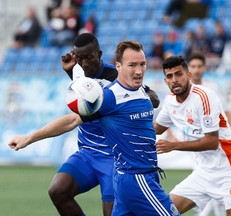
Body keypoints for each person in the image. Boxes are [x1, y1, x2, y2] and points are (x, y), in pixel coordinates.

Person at [8, 34, 159, 216]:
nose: (85, 63)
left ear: (99, 54)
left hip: (112, 157)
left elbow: (154, 99)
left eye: (89, 58)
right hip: (87, 153)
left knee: (111, 213)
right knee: (58, 191)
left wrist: (129, 97)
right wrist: (29, 138)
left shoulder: (115, 77)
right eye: (80, 59)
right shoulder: (78, 74)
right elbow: (79, 105)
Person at [40, 40, 179, 215]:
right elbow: (72, 120)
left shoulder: (136, 88)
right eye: (132, 65)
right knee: (58, 190)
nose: (139, 70)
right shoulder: (110, 96)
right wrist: (29, 138)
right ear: (118, 66)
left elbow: (150, 107)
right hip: (137, 178)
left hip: (128, 175)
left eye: (142, 64)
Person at [154, 56, 231, 215]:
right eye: (170, 76)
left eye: (179, 74)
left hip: (229, 169)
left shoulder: (204, 96)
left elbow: (211, 142)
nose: (175, 80)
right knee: (163, 211)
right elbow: (156, 129)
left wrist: (173, 145)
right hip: (203, 172)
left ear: (188, 75)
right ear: (166, 81)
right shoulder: (170, 101)